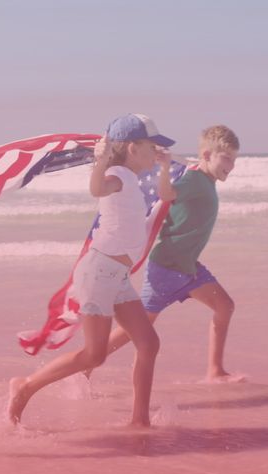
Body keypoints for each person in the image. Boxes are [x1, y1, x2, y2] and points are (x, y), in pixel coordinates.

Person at [8, 114, 176, 427]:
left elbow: (168, 196)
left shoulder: (133, 180)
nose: (156, 151)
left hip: (116, 276)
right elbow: (97, 188)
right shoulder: (118, 174)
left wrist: (165, 167)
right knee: (94, 355)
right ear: (131, 148)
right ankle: (25, 387)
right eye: (152, 146)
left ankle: (139, 419)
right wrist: (100, 161)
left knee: (149, 343)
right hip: (100, 273)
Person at [85, 125, 242, 383]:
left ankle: (215, 370)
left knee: (225, 306)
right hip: (167, 270)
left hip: (188, 268)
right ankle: (87, 366)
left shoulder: (205, 180)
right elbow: (165, 194)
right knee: (132, 331)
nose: (231, 165)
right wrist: (167, 168)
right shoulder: (193, 179)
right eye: (226, 158)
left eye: (234, 159)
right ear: (206, 155)